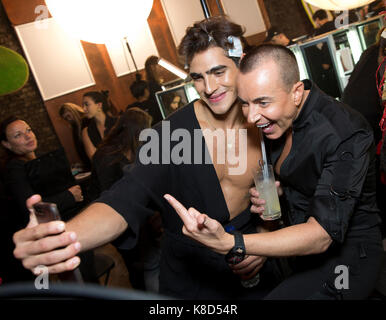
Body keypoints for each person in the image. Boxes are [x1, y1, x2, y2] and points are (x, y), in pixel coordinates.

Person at [12, 16, 281, 300]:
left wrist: (261, 240)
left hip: (252, 264)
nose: (209, 87)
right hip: (193, 278)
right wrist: (64, 237)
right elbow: (125, 198)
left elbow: (277, 194)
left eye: (218, 72)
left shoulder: (263, 120)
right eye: (198, 77)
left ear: (242, 62)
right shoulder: (169, 136)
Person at [164, 44, 384, 300]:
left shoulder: (345, 132)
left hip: (349, 261)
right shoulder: (276, 123)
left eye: (262, 102)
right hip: (301, 257)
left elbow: (322, 236)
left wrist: (232, 242)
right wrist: (277, 197)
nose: (252, 117)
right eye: (245, 104)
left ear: (296, 92)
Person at [0, 116, 84, 223]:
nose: (28, 136)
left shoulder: (33, 161)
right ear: (7, 144)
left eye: (28, 130)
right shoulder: (14, 169)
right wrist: (69, 196)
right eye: (18, 135)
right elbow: (33, 208)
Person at [81, 90, 117, 160]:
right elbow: (94, 159)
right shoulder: (86, 132)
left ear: (99, 105)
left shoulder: (117, 122)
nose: (84, 109)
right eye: (83, 105)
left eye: (87, 104)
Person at [59, 102, 91, 170]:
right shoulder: (75, 126)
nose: (69, 120)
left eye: (68, 116)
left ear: (73, 111)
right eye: (66, 119)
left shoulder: (87, 120)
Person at [144, 56, 164, 125]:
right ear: (153, 67)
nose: (162, 68)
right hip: (159, 121)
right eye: (159, 66)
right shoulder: (153, 85)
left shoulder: (154, 83)